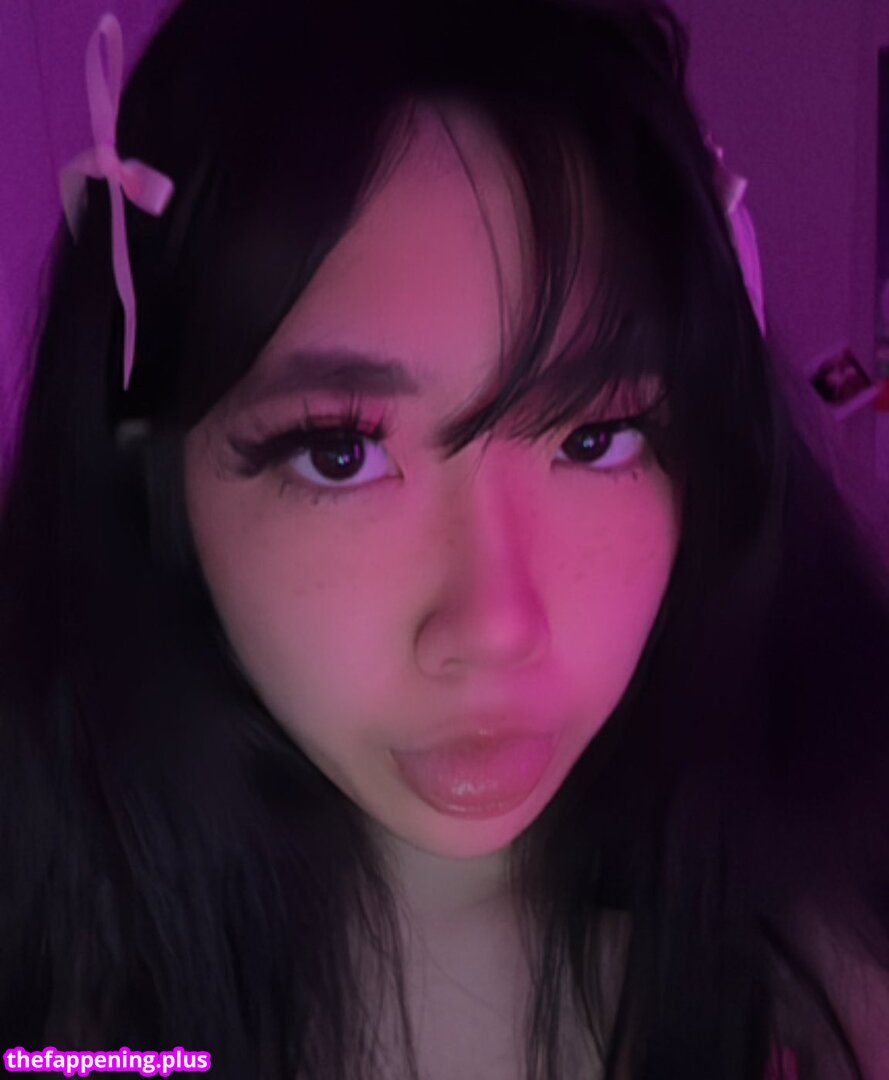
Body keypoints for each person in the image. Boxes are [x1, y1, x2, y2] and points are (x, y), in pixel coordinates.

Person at [2, 0, 888, 1076]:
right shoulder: (60, 992)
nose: (496, 627)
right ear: (150, 474)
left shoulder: (825, 952)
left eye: (596, 437)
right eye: (339, 455)